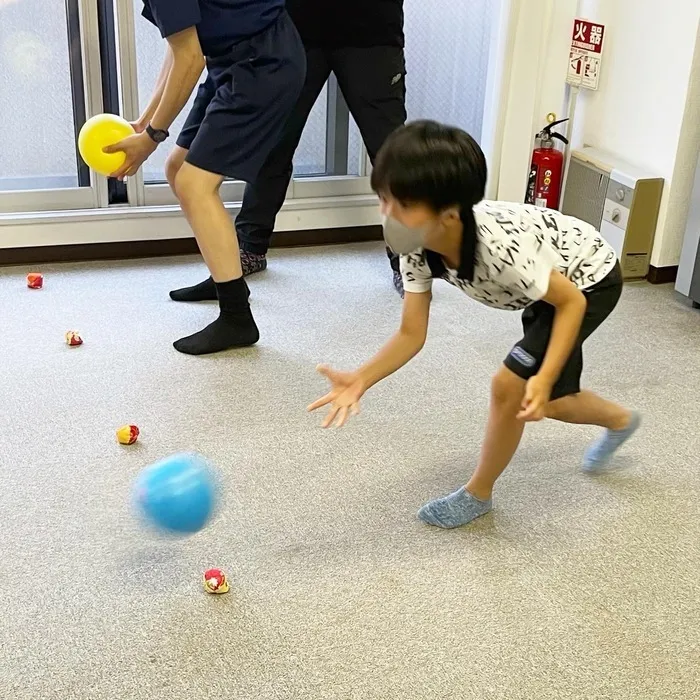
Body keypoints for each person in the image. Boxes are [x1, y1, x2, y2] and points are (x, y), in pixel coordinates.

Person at [308, 120, 641, 529]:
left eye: (403, 205)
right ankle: (622, 421)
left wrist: (542, 374)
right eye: (383, 199)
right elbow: (412, 333)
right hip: (544, 287)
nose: (388, 215)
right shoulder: (417, 243)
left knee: (510, 386)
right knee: (553, 402)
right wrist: (362, 378)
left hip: (587, 278)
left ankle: (477, 495)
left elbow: (570, 301)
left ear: (449, 213)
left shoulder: (500, 252)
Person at [170, 0, 408, 304]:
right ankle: (250, 248)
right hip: (294, 31)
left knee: (392, 155)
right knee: (272, 146)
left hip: (373, 34)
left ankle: (407, 259)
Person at [105, 0, 305, 355]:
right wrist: (146, 122)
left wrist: (151, 137)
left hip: (263, 64)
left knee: (194, 185)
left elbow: (189, 59)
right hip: (229, 62)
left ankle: (236, 318)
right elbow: (181, 45)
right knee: (178, 170)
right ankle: (224, 276)